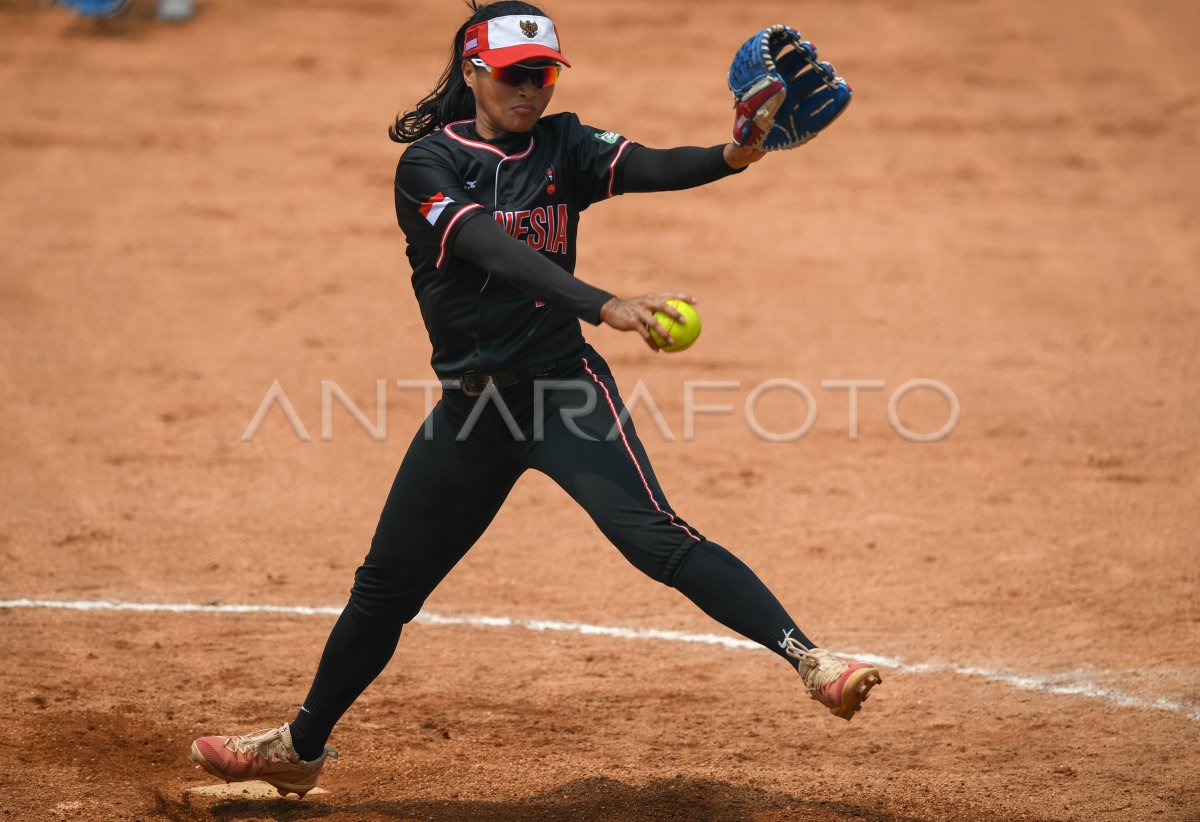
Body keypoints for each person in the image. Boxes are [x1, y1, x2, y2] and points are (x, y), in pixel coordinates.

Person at [188, 0, 881, 799]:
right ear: (475, 71)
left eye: (544, 75)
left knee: (657, 538)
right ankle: (299, 749)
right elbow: (489, 247)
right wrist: (603, 302)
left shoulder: (565, 145)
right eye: (516, 75)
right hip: (474, 413)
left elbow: (653, 164)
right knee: (384, 592)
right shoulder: (429, 166)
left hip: (563, 393)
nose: (531, 91)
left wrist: (736, 153)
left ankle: (812, 662)